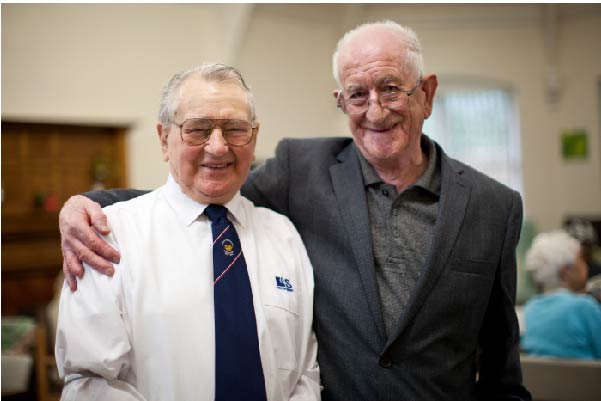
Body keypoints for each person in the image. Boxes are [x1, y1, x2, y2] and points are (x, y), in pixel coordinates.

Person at [58, 21, 531, 400]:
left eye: (391, 88)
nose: (375, 111)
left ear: (425, 94)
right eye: (357, 94)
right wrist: (85, 206)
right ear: (340, 101)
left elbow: (500, 365)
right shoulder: (303, 171)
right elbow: (203, 189)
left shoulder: (494, 206)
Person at [55, 64, 321, 401]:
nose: (218, 146)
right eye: (198, 129)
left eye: (235, 129)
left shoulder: (284, 235)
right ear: (164, 138)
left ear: (254, 137)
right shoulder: (107, 237)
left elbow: (305, 373)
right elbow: (90, 381)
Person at [521, 230, 601, 360]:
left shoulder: (531, 307)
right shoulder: (585, 307)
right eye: (581, 259)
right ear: (566, 271)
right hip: (584, 379)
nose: (585, 265)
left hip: (540, 380)